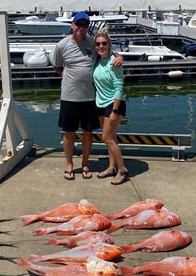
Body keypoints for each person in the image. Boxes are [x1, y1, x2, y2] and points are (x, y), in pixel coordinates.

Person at [50, 12, 122, 181]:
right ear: (72, 25)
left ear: (87, 27)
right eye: (78, 25)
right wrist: (66, 77)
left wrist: (120, 56)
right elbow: (56, 66)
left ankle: (85, 163)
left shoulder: (93, 41)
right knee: (68, 132)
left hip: (90, 97)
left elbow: (110, 51)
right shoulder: (61, 45)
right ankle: (69, 164)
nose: (81, 28)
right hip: (69, 96)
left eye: (84, 25)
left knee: (88, 133)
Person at [92, 29, 129, 185]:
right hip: (100, 103)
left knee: (106, 138)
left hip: (114, 104)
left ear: (109, 45)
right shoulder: (96, 60)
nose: (101, 46)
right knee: (111, 139)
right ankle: (111, 167)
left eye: (104, 43)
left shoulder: (115, 62)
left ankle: (122, 170)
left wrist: (114, 110)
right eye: (98, 44)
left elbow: (119, 87)